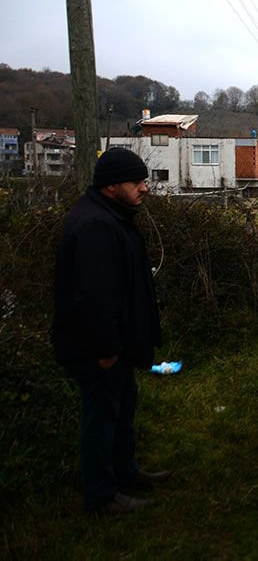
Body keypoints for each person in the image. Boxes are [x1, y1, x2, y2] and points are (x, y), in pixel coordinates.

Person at [51, 147, 172, 514]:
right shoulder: (95, 226)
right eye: (136, 182)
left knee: (121, 411)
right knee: (101, 420)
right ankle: (102, 495)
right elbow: (93, 296)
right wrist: (107, 349)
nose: (144, 189)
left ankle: (125, 471)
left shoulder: (110, 216)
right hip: (98, 349)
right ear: (110, 186)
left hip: (114, 345)